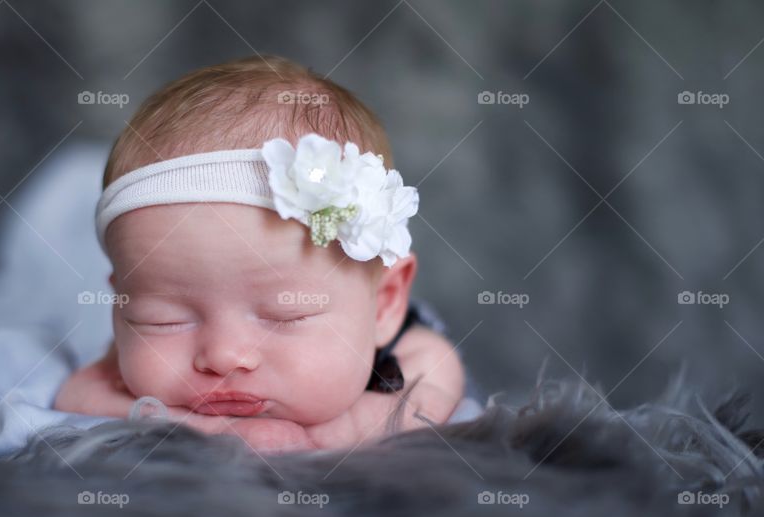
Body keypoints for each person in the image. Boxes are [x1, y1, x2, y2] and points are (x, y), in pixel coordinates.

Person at [54, 54, 484, 453]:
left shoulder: (416, 355)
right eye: (163, 320)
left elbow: (425, 410)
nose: (223, 356)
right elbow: (76, 396)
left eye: (285, 315)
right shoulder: (127, 356)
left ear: (384, 304)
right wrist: (216, 431)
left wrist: (324, 435)